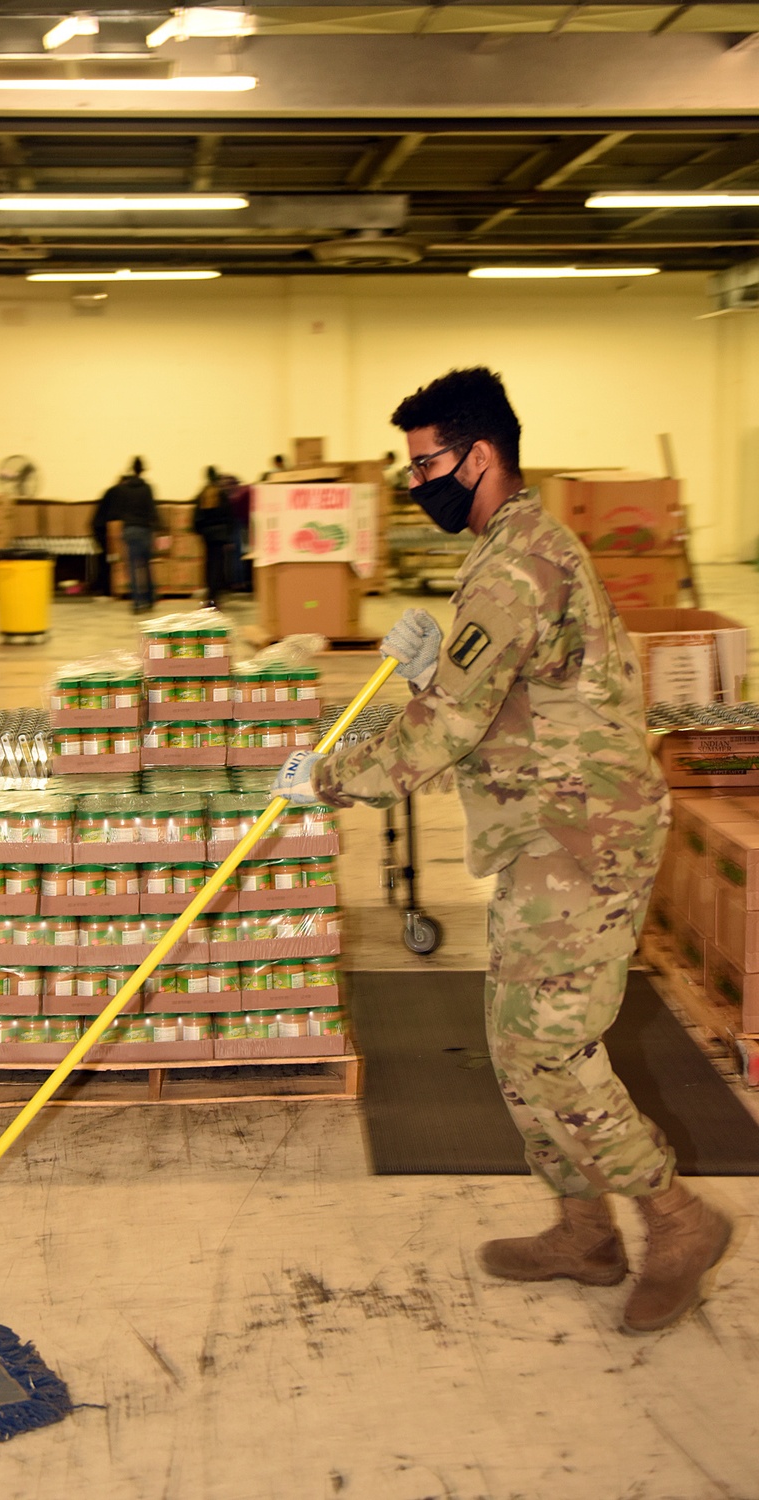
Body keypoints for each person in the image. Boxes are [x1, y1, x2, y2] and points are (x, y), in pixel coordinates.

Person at [273, 366, 733, 1335]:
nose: (414, 483)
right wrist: (431, 661)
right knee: (514, 1041)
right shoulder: (507, 550)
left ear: (479, 456)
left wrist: (324, 777)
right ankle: (584, 1231)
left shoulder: (518, 563)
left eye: (426, 462)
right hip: (545, 826)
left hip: (585, 833)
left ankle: (676, 1220)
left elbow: (444, 732)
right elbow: (509, 691)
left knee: (550, 1045)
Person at [107, 457, 161, 614]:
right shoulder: (147, 488)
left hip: (129, 530)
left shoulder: (123, 489)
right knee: (146, 566)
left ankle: (137, 602)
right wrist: (157, 530)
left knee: (132, 568)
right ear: (142, 470)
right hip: (145, 530)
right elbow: (152, 510)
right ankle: (150, 599)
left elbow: (118, 511)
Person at [193, 465, 235, 608]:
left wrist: (199, 532)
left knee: (209, 565)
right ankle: (215, 597)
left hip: (207, 535)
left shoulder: (202, 494)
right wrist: (229, 535)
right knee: (218, 566)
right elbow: (229, 516)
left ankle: (209, 596)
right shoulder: (221, 494)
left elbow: (196, 517)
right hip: (220, 535)